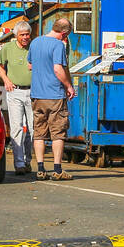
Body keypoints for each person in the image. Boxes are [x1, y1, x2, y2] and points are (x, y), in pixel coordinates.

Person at [28, 16, 76, 181]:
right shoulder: (58, 45)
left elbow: (30, 65)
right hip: (54, 95)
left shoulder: (35, 42)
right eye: (66, 35)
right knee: (58, 133)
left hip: (37, 95)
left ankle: (40, 169)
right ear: (64, 33)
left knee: (39, 133)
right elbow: (57, 69)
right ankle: (57, 170)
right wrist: (69, 86)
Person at [0, 21, 34, 175]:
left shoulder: (33, 47)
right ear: (16, 35)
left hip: (33, 92)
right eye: (22, 35)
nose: (25, 37)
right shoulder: (7, 49)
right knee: (17, 127)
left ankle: (27, 161)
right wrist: (6, 80)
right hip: (15, 92)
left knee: (33, 129)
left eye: (27, 34)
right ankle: (19, 164)